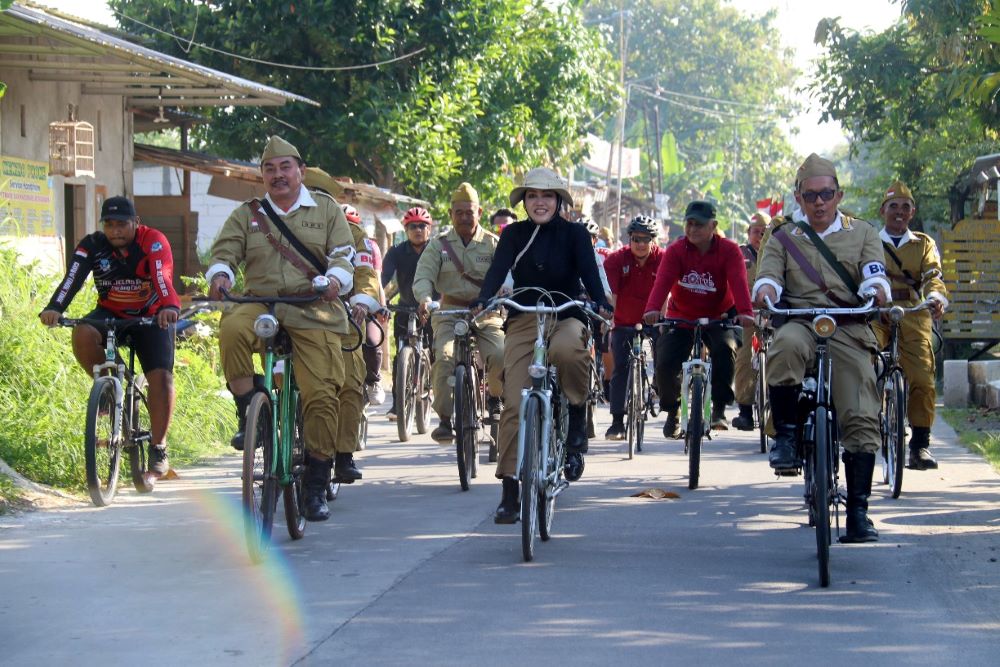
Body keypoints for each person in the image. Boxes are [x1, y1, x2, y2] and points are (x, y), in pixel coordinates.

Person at [206, 136, 356, 522]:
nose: (278, 175)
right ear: (262, 176)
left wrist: (336, 279)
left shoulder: (325, 210)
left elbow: (343, 254)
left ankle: (317, 482)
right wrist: (221, 275)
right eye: (269, 169)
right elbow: (224, 251)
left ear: (300, 171)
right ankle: (250, 412)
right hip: (262, 302)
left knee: (321, 396)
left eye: (285, 167)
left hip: (313, 306)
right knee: (231, 330)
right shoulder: (247, 214)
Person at [753, 153, 890, 543]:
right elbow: (768, 278)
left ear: (838, 194)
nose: (818, 202)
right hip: (801, 322)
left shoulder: (863, 233)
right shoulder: (782, 237)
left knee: (862, 414)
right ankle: (786, 436)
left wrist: (876, 291)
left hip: (848, 327)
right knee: (784, 347)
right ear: (798, 197)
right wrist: (765, 292)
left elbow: (874, 275)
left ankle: (859, 512)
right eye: (810, 195)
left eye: (826, 194)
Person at [473, 167, 611, 524]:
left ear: (559, 201)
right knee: (514, 404)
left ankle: (577, 417)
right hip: (523, 318)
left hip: (566, 314)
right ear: (523, 201)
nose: (539, 202)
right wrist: (484, 297)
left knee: (569, 351)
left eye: (547, 196)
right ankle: (509, 489)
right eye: (532, 196)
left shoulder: (576, 234)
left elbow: (590, 277)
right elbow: (497, 270)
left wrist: (601, 303)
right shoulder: (513, 234)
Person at [39, 195, 180, 479]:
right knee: (82, 332)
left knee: (161, 378)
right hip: (110, 313)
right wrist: (55, 307)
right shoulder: (92, 245)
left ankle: (158, 447)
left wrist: (168, 306)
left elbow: (162, 275)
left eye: (122, 224)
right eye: (109, 224)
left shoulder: (152, 240)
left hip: (151, 316)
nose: (115, 230)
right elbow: (72, 278)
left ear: (136, 223)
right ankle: (107, 390)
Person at [642, 200, 753, 436]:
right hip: (681, 317)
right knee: (664, 363)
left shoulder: (729, 250)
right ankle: (673, 411)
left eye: (699, 225)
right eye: (689, 224)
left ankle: (719, 408)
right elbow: (662, 283)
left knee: (725, 349)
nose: (692, 229)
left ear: (713, 225)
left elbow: (739, 283)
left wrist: (745, 312)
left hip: (718, 317)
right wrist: (652, 309)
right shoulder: (675, 250)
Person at [302, 167, 382, 484]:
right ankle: (266, 426)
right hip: (293, 315)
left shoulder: (355, 235)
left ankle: (343, 453)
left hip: (343, 319)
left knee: (350, 382)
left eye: (322, 198)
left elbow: (366, 275)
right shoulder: (278, 226)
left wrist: (361, 300)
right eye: (309, 197)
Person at [413, 183, 505, 444]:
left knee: (499, 354)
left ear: (479, 212)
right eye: (459, 212)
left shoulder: (492, 244)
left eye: (470, 212)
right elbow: (423, 276)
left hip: (486, 312)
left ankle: (495, 397)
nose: (465, 217)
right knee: (444, 358)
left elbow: (505, 278)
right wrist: (425, 298)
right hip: (449, 312)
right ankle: (444, 419)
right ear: (451, 214)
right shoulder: (437, 246)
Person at [871, 180, 948, 470]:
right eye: (893, 206)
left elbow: (933, 275)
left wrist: (936, 297)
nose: (899, 212)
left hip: (913, 313)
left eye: (905, 207)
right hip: (877, 313)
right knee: (864, 361)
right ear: (883, 210)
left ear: (912, 212)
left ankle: (919, 446)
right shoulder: (869, 241)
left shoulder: (923, 243)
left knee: (922, 377)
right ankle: (866, 426)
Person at [603, 215, 664, 440]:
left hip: (654, 318)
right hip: (624, 321)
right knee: (621, 367)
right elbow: (613, 295)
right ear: (629, 238)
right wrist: (611, 324)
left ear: (653, 241)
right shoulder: (615, 260)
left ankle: (658, 384)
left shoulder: (663, 259)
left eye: (645, 239)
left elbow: (667, 292)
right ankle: (617, 421)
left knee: (664, 352)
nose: (640, 244)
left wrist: (662, 321)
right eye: (636, 239)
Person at [382, 206, 437, 421]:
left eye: (422, 226)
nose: (418, 230)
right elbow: (384, 279)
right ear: (406, 229)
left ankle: (432, 391)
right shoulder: (396, 252)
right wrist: (380, 300)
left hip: (433, 309)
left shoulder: (436, 250)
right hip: (405, 309)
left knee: (436, 352)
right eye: (413, 226)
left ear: (429, 229)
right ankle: (398, 404)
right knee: (400, 356)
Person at [340, 201, 388, 407]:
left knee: (370, 339)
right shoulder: (324, 241)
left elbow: (374, 280)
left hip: (361, 302)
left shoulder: (369, 245)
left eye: (351, 225)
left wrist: (379, 306)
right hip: (332, 304)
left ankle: (372, 381)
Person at [732, 212, 769, 431]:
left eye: (765, 232)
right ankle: (745, 410)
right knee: (745, 358)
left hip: (774, 312)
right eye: (757, 232)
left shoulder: (776, 251)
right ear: (749, 233)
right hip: (746, 313)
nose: (760, 236)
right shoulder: (739, 254)